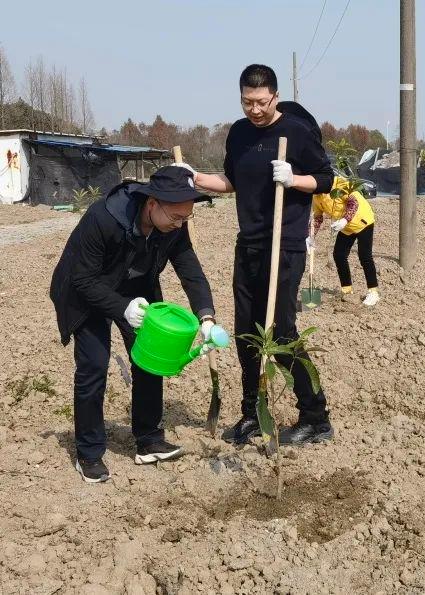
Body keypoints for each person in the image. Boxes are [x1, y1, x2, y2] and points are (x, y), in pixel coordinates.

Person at [185, 64, 335, 446]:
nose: (254, 110)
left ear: (275, 96)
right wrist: (195, 178)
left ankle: (316, 417)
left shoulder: (296, 133)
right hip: (248, 243)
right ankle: (252, 412)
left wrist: (294, 179)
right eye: (247, 102)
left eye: (261, 102)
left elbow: (327, 178)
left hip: (283, 246)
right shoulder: (238, 133)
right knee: (246, 334)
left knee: (281, 332)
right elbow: (231, 182)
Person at [50, 166, 219, 483]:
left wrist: (206, 318)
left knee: (149, 359)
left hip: (135, 290)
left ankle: (149, 439)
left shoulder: (173, 227)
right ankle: (89, 453)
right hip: (86, 292)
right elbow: (82, 278)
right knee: (94, 366)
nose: (180, 224)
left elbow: (191, 272)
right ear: (152, 204)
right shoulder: (104, 218)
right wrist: (121, 307)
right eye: (176, 217)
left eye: (186, 218)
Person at [312, 176, 380, 306]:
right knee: (339, 255)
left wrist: (344, 220)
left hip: (363, 221)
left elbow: (353, 203)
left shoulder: (340, 184)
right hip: (346, 227)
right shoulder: (317, 196)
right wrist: (310, 237)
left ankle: (373, 292)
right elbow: (317, 218)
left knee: (365, 256)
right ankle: (347, 289)